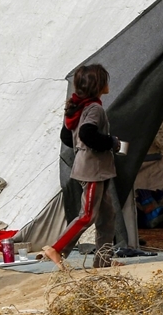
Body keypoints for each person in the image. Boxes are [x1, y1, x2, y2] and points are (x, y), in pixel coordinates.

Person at [42, 64, 120, 269]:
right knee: (87, 215)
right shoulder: (94, 108)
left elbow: (67, 136)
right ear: (98, 85)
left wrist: (81, 150)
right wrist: (111, 142)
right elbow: (87, 134)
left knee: (107, 216)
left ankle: (103, 261)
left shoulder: (79, 107)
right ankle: (56, 248)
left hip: (94, 168)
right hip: (92, 170)